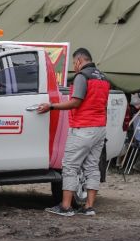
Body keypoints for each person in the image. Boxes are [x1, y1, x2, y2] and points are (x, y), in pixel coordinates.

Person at [36, 48, 110, 217]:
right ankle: (89, 207)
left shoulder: (82, 77)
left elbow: (75, 102)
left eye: (73, 63)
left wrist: (51, 106)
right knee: (92, 167)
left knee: (70, 166)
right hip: (99, 128)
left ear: (79, 61)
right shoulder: (104, 78)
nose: (74, 67)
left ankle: (66, 206)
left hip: (83, 128)